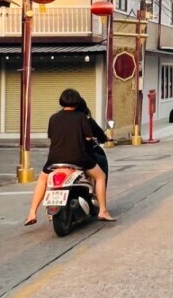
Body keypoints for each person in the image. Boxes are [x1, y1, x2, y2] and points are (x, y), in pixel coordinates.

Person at [24, 88, 115, 226]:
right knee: (100, 176)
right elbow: (89, 137)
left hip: (54, 159)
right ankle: (103, 210)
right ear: (78, 102)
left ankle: (32, 212)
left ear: (61, 101)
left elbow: (51, 136)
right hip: (78, 158)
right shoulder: (82, 117)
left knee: (42, 180)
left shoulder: (53, 118)